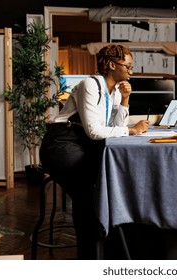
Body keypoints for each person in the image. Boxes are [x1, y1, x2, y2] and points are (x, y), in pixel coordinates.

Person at [39, 44, 149, 259]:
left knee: (104, 189)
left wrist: (125, 100)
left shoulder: (116, 91)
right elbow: (95, 131)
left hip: (82, 144)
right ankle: (92, 258)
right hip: (61, 143)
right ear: (110, 65)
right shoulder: (90, 84)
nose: (131, 71)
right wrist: (131, 130)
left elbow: (113, 124)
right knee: (90, 195)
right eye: (127, 66)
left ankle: (102, 253)